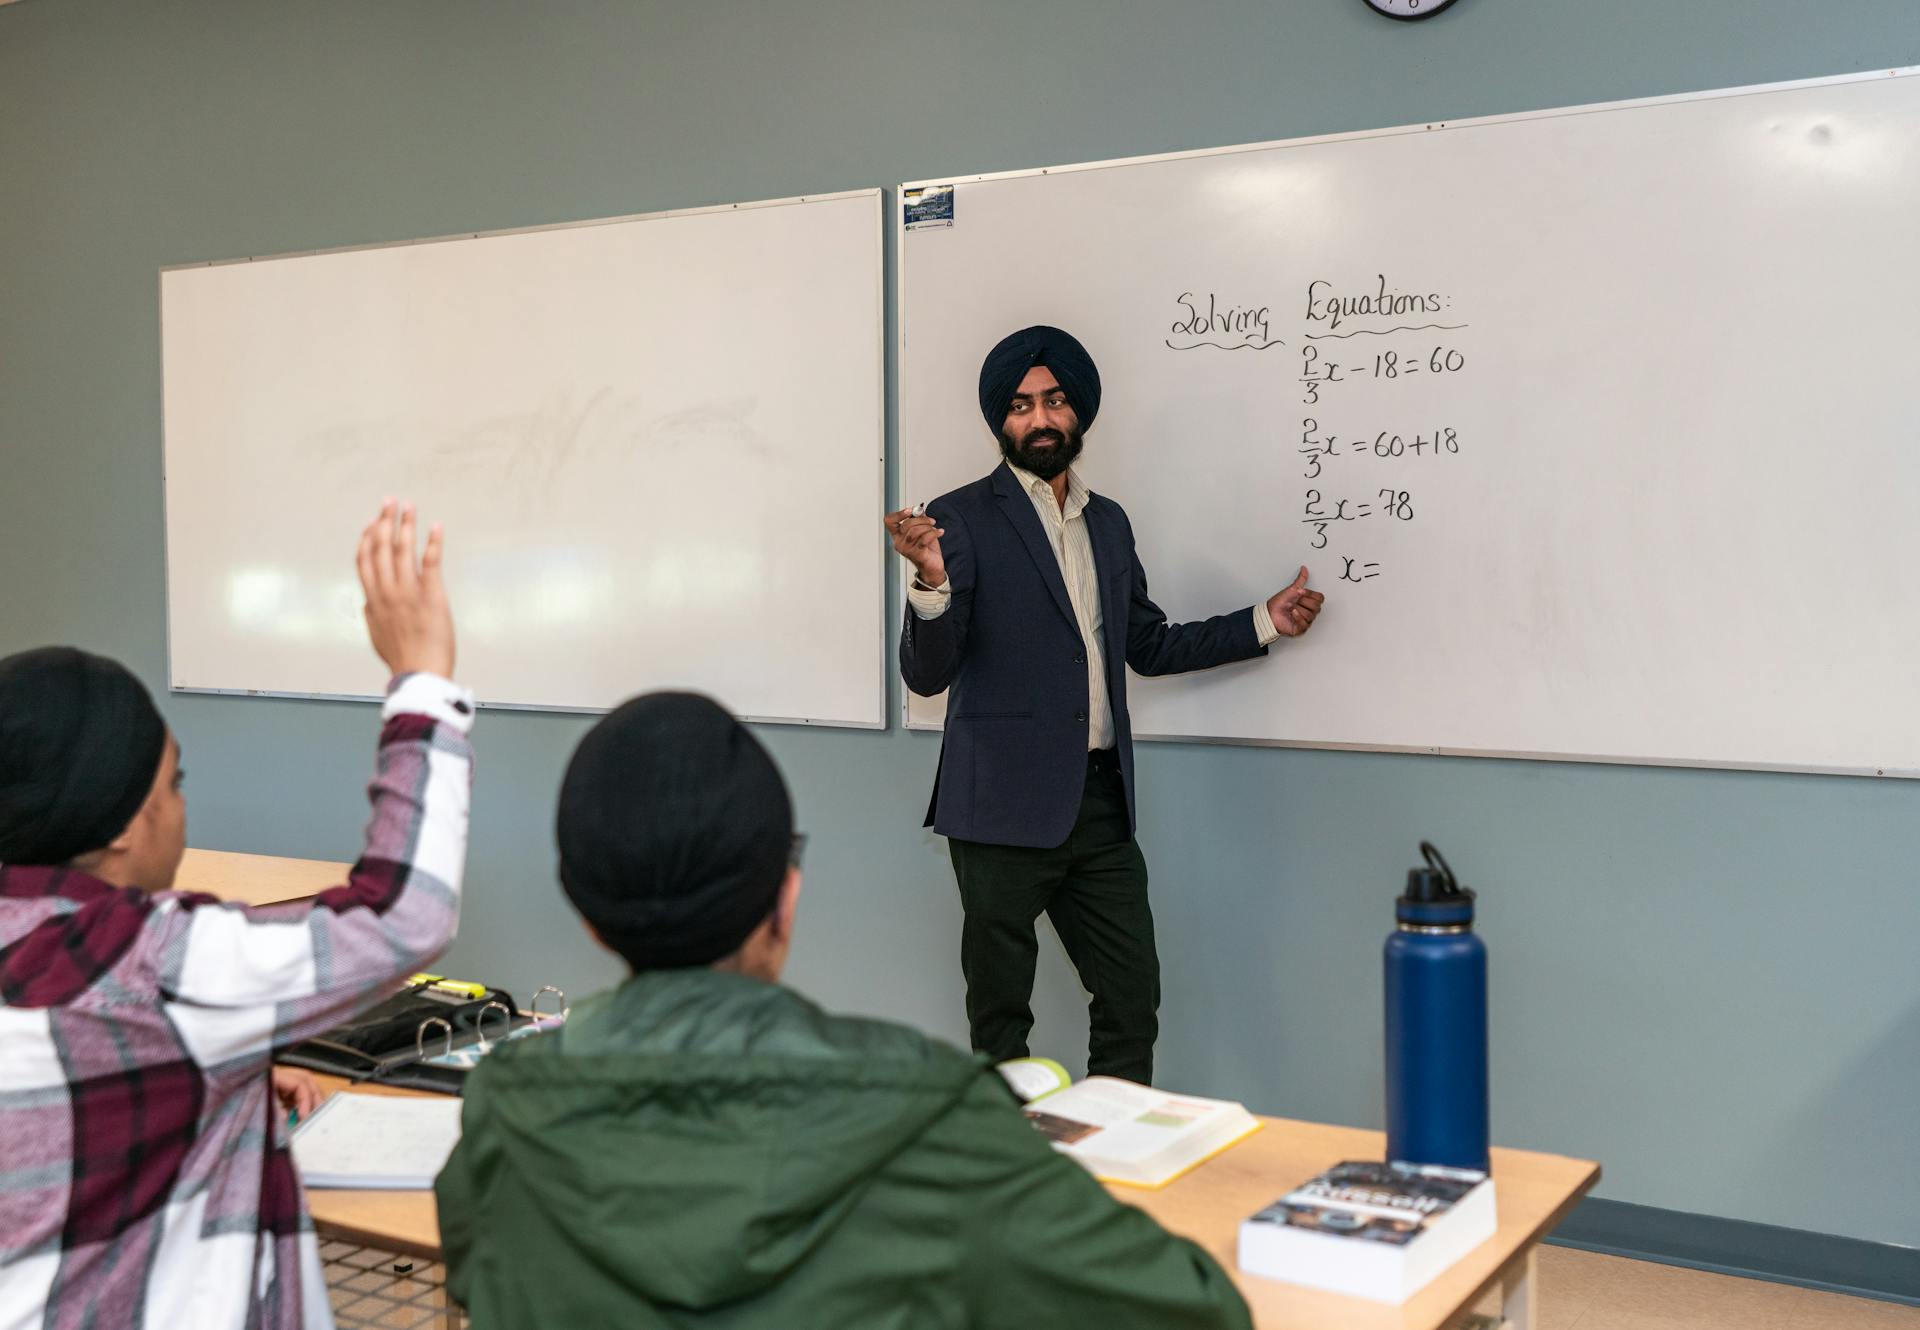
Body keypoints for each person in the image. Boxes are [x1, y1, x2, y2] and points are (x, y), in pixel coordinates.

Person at [436, 692, 1251, 1330]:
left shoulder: (504, 1108)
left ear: (586, 913)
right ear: (786, 898)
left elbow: (476, 1267)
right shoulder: (929, 1114)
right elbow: (1194, 1311)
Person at [0, 501, 471, 1330]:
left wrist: (216, 1064)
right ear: (120, 823)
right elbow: (403, 914)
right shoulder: (155, 963)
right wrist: (423, 676)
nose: (184, 808)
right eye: (175, 784)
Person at [886, 325, 1325, 1084]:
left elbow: (1147, 645)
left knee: (1130, 998)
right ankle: (1010, 1173)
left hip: (1097, 805)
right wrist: (930, 582)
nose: (1040, 419)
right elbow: (927, 678)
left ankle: (1116, 1159)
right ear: (1002, 421)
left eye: (1054, 401)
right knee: (1001, 1020)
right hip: (997, 808)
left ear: (1078, 413)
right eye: (1021, 406)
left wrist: (1264, 621)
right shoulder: (958, 520)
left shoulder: (1109, 522)